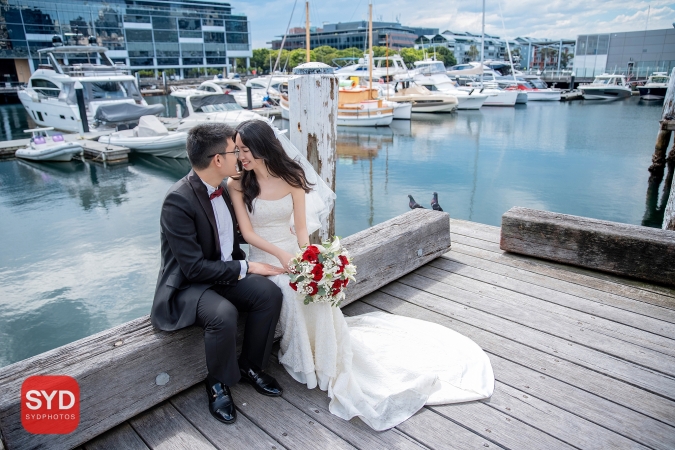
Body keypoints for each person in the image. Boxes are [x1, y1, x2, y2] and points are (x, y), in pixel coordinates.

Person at [228, 119, 495, 431]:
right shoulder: (238, 184)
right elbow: (247, 232)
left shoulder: (292, 176)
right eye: (236, 150)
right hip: (265, 258)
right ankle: (305, 359)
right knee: (289, 291)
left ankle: (324, 355)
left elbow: (302, 229)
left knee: (313, 290)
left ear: (261, 147)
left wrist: (310, 262)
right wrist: (281, 257)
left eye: (244, 149)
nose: (239, 156)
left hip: (292, 254)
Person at [150, 123, 287, 426]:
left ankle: (251, 366)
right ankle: (217, 383)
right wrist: (248, 266)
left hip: (223, 274)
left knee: (269, 293)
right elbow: (193, 268)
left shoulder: (224, 189)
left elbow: (232, 236)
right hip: (189, 286)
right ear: (217, 160)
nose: (239, 155)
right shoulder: (178, 200)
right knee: (222, 314)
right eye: (234, 151)